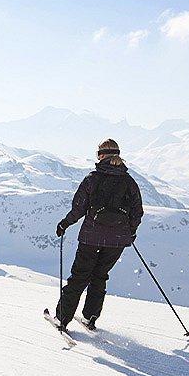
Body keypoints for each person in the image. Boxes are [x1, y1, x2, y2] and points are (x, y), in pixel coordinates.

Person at [54, 139, 143, 331]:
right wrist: (131, 232)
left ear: (101, 156)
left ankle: (62, 319)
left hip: (90, 238)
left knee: (79, 278)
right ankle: (90, 318)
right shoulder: (129, 182)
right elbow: (137, 212)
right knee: (100, 276)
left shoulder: (91, 180)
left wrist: (64, 224)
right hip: (118, 241)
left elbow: (78, 209)